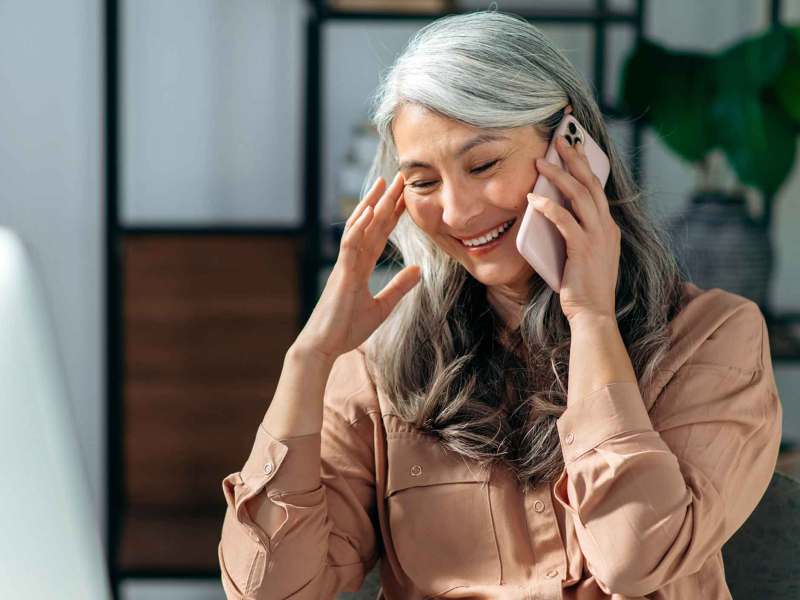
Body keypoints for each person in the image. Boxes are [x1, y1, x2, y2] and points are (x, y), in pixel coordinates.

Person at [217, 10, 783, 600]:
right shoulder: (377, 370)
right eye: (423, 182)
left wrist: (589, 319)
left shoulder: (715, 338)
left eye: (482, 164)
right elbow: (270, 592)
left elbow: (635, 558)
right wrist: (308, 359)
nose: (457, 213)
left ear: (573, 145)